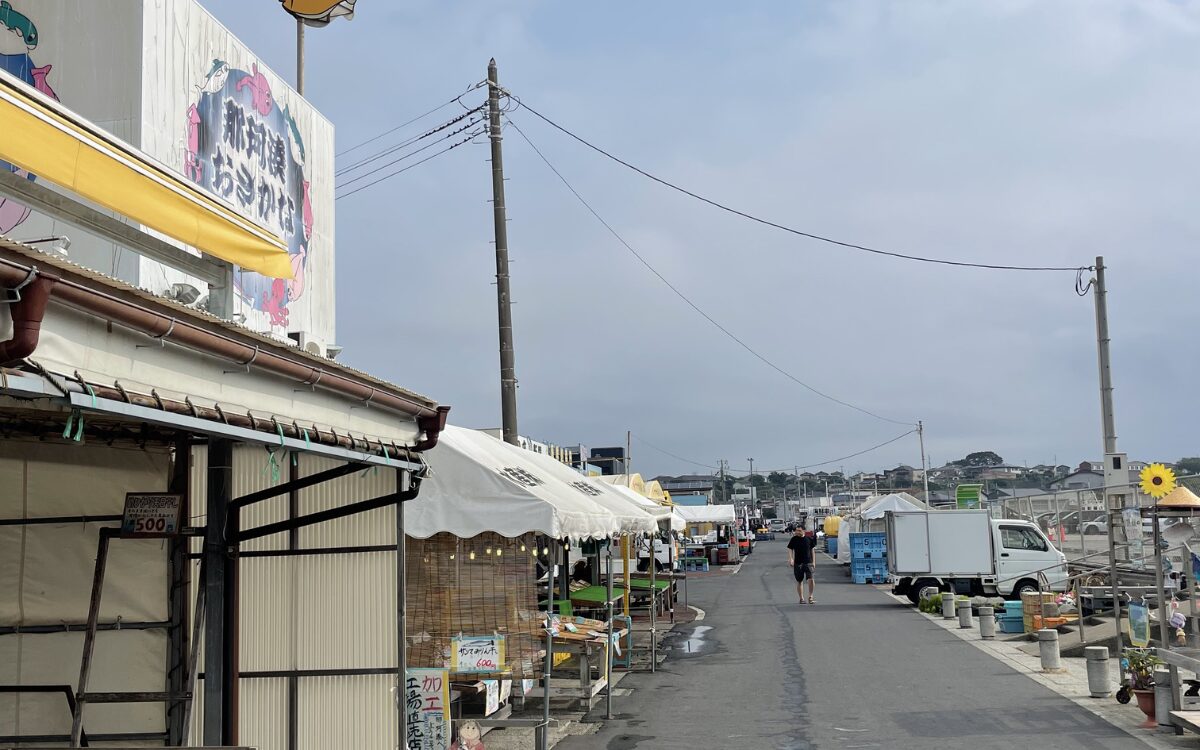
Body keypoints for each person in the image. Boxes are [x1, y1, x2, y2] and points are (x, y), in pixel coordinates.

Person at [787, 526, 817, 604]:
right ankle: (801, 598)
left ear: (804, 531)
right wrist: (791, 559)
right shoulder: (794, 539)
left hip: (809, 563)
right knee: (799, 581)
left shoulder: (809, 539)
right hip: (798, 563)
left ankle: (810, 596)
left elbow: (813, 551)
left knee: (811, 579)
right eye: (796, 530)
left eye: (799, 531)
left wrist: (814, 562)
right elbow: (790, 548)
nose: (797, 532)